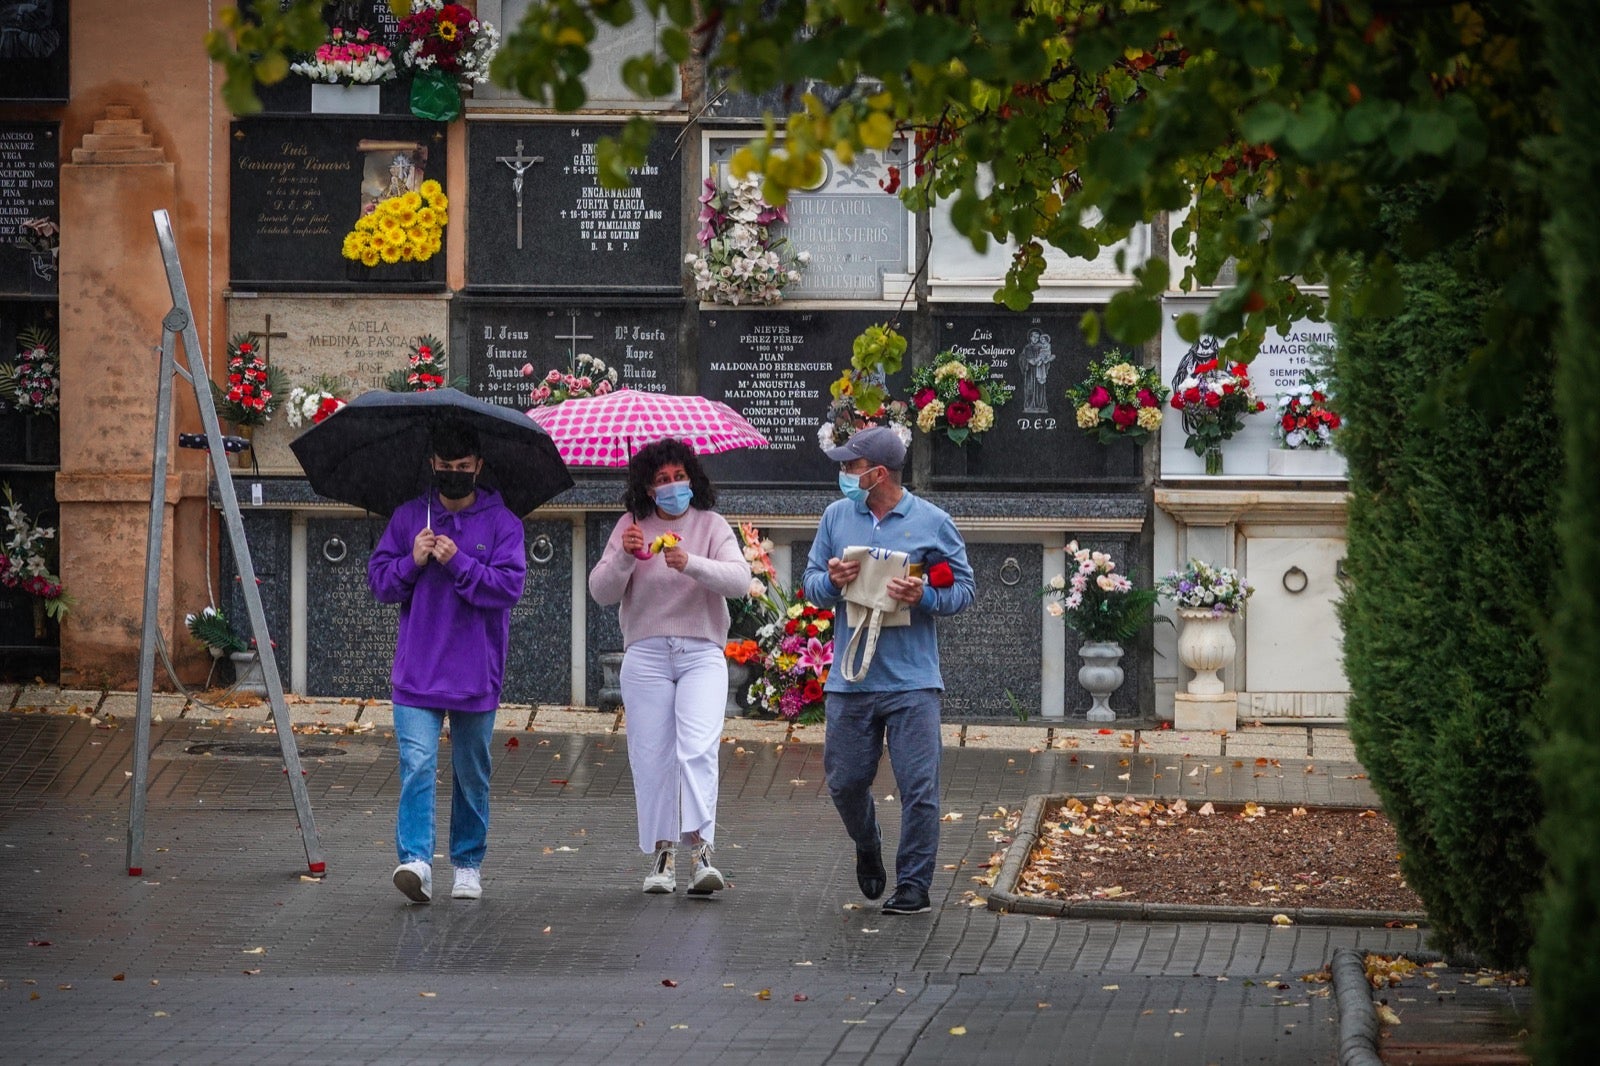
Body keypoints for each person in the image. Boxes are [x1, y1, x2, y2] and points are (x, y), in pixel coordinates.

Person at [802, 426, 975, 915]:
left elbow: (964, 589)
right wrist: (831, 582)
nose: (842, 474)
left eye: (849, 466)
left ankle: (914, 885)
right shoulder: (836, 516)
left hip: (912, 681)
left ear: (877, 473)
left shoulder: (932, 521)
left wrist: (928, 596)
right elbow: (811, 582)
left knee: (919, 787)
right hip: (851, 680)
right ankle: (867, 838)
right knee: (844, 781)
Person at [367, 420, 526, 904]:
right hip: (417, 670)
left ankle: (467, 863)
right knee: (416, 765)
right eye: (445, 467)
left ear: (478, 467)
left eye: (463, 467)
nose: (454, 474)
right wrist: (410, 561)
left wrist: (459, 562)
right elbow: (379, 583)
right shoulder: (409, 518)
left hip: (476, 672)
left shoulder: (504, 524)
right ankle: (415, 860)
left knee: (470, 772)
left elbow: (508, 589)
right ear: (432, 466)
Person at [589, 439, 751, 896]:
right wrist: (624, 554)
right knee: (652, 754)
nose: (672, 486)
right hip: (646, 655)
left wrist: (692, 563)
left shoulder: (711, 525)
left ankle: (701, 851)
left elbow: (740, 580)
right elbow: (601, 591)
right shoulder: (631, 526)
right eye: (661, 480)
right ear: (647, 487)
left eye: (679, 476)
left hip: (702, 652)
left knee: (697, 749)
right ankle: (662, 855)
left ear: (692, 479)